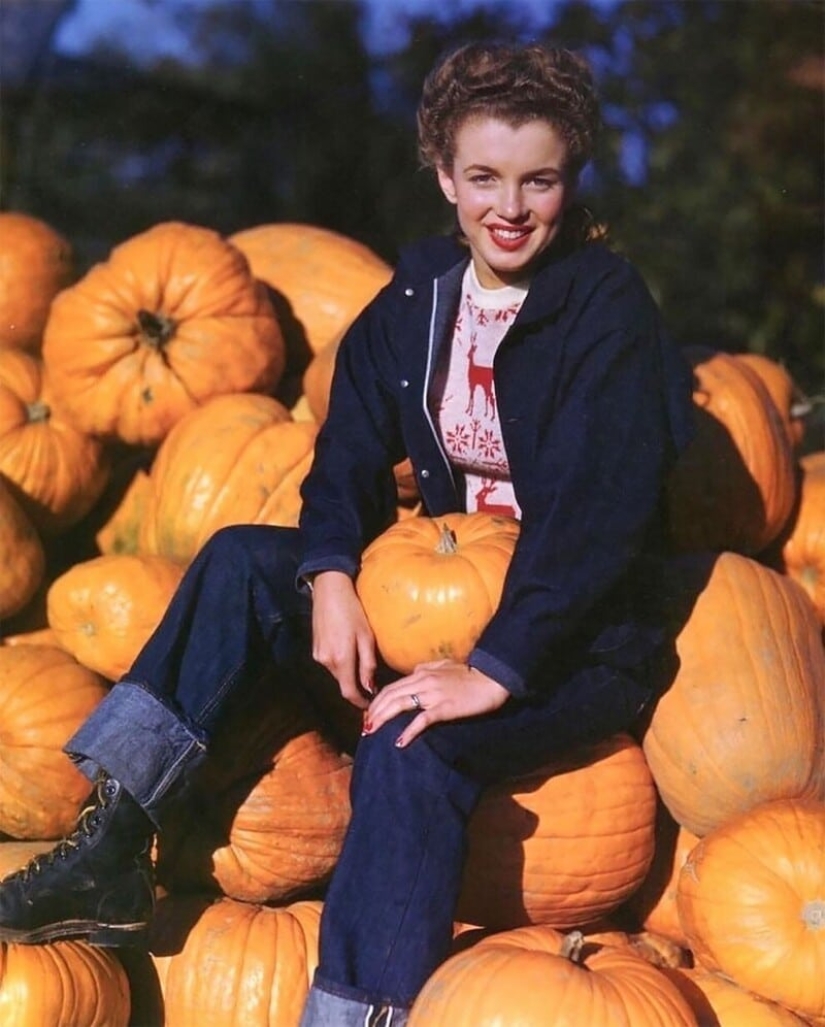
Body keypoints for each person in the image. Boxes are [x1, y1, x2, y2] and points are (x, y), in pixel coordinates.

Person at [0, 40, 694, 1026]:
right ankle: (112, 846)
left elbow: (600, 515)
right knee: (244, 559)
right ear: (445, 175)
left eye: (538, 180)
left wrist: (495, 668)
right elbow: (346, 451)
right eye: (484, 177)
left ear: (568, 178)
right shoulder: (420, 298)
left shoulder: (604, 309)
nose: (510, 206)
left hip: (571, 637)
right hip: (438, 596)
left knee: (411, 743)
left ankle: (356, 1014)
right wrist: (329, 571)